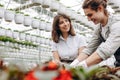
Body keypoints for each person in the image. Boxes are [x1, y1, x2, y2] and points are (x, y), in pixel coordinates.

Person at [70, 0, 120, 67]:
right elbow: (89, 49)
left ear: (100, 9)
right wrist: (74, 63)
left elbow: (105, 51)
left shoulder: (117, 24)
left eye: (90, 15)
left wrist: (83, 65)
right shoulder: (99, 28)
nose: (88, 19)